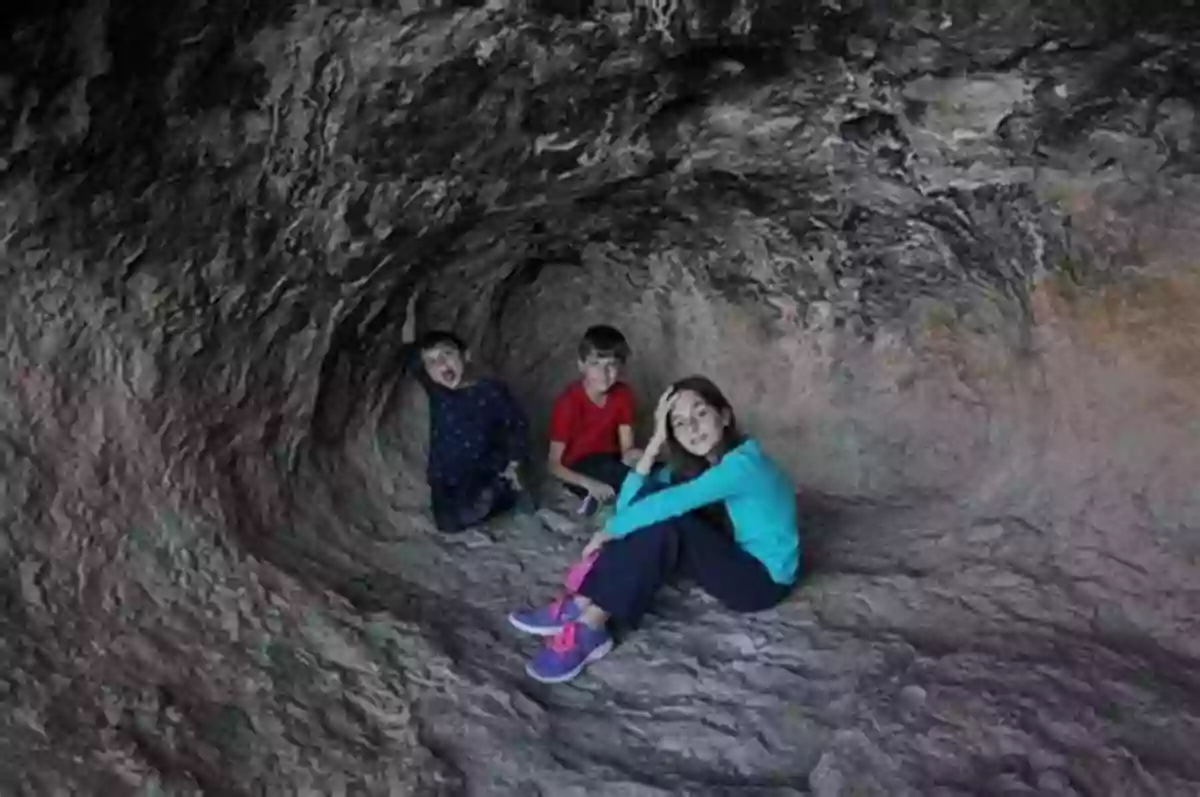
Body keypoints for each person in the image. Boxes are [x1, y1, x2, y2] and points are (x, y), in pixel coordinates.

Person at [508, 375, 801, 684]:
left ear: (725, 416)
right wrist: (655, 442)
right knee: (651, 503)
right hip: (737, 554)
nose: (693, 428)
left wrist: (609, 531)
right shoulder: (702, 464)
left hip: (762, 581)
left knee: (668, 523)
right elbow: (631, 502)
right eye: (680, 423)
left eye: (700, 413)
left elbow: (669, 505)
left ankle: (591, 625)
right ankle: (580, 603)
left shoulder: (742, 464)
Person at [401, 289, 531, 533]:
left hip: (483, 467)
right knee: (447, 523)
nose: (441, 364)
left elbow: (517, 425)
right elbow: (408, 352)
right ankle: (490, 501)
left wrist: (515, 460)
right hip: (446, 475)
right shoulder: (435, 390)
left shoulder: (491, 391)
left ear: (466, 356)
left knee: (480, 498)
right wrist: (408, 314)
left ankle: (503, 492)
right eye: (433, 361)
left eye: (448, 354)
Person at [545, 325, 641, 515]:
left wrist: (645, 456)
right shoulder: (568, 403)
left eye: (611, 365)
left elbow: (626, 452)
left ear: (621, 366)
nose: (604, 374)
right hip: (578, 469)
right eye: (595, 364)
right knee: (628, 484)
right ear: (581, 365)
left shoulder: (623, 395)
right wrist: (589, 484)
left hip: (611, 462)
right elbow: (553, 465)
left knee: (656, 472)